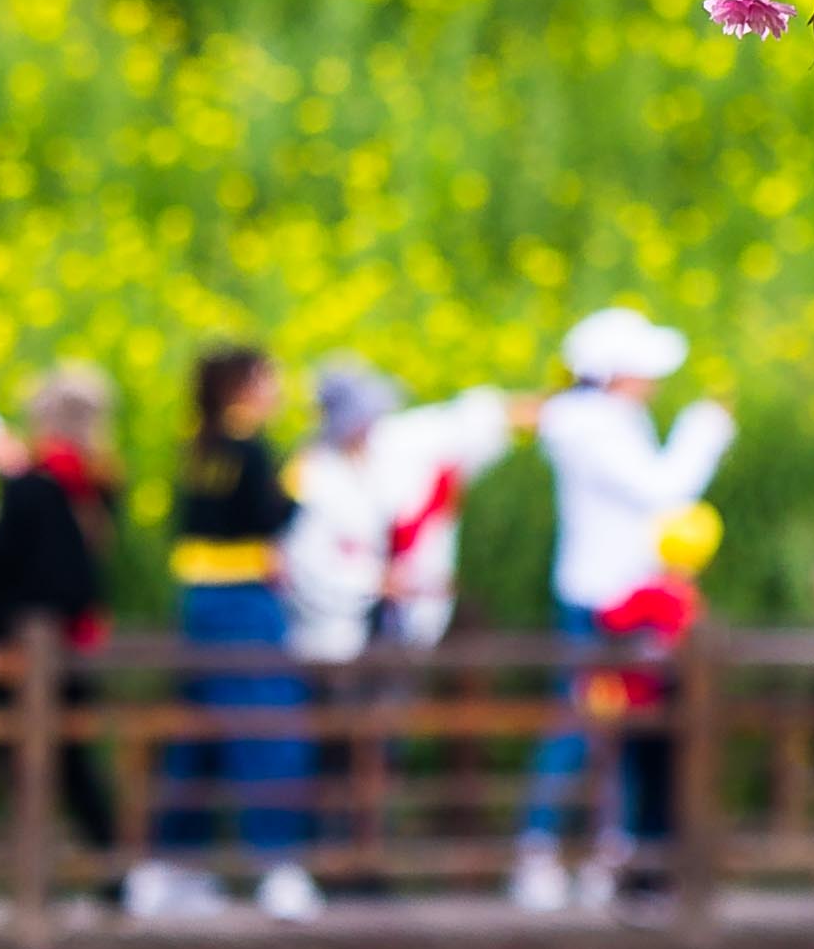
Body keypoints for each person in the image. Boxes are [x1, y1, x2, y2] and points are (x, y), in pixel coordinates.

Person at [516, 305, 735, 912]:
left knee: (626, 733)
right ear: (615, 372)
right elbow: (665, 490)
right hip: (601, 604)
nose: (654, 380)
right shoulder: (594, 426)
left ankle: (613, 858)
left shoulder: (608, 420)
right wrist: (704, 431)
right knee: (580, 726)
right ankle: (539, 854)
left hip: (628, 601)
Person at [157, 344, 322, 923]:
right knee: (271, 730)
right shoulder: (249, 446)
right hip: (243, 600)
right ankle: (278, 868)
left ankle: (172, 866)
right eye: (268, 378)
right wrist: (300, 476)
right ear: (244, 385)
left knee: (197, 734)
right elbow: (274, 517)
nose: (277, 387)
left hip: (198, 597)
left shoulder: (198, 444)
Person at [0, 359, 126, 869]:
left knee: (24, 759)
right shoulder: (96, 484)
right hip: (76, 642)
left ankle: (36, 867)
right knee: (72, 761)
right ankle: (106, 864)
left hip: (23, 646)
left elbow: (4, 561)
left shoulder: (33, 486)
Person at [284, 358, 529, 663]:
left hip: (385, 625)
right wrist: (378, 580)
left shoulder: (373, 459)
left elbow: (467, 424)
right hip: (335, 633)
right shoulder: (312, 475)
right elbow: (308, 559)